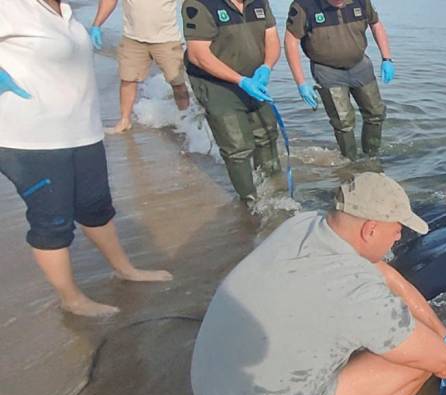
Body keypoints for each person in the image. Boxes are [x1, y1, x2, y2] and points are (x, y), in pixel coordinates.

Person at [191, 172, 446, 395]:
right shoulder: (357, 293)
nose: (400, 236)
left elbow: (390, 276)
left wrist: (443, 333)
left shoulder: (304, 225)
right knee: (415, 362)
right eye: (396, 228)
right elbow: (445, 363)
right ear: (370, 229)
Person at [0, 0, 172, 317]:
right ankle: (71, 297)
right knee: (52, 220)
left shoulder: (64, 10)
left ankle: (125, 269)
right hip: (32, 139)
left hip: (83, 131)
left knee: (96, 207)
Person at [181, 0, 281, 210]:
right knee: (237, 146)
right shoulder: (200, 4)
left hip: (253, 77)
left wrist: (266, 67)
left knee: (267, 133)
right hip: (215, 84)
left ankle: (274, 192)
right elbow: (198, 55)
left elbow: (271, 39)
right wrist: (240, 80)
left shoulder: (259, 2)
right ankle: (251, 203)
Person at [284, 0, 394, 160]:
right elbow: (291, 41)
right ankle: (350, 162)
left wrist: (387, 58)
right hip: (327, 70)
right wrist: (301, 82)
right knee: (343, 122)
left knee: (376, 113)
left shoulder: (361, 2)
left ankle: (371, 157)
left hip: (360, 65)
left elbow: (376, 24)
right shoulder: (303, 5)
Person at [90, 0, 190, 134]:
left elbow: (192, 4)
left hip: (167, 39)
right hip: (133, 38)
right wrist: (96, 25)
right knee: (127, 79)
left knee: (177, 83)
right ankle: (124, 120)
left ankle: (186, 122)